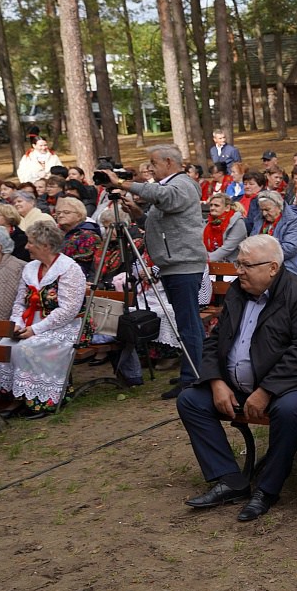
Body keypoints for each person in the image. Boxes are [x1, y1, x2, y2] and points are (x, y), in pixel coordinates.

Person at [177, 236, 297, 522]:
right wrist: (216, 382)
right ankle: (231, 480)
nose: (239, 271)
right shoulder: (238, 291)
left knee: (289, 410)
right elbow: (214, 341)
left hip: (284, 387)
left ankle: (267, 490)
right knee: (190, 400)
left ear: (272, 267)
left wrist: (266, 390)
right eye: (238, 264)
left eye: (246, 265)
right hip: (235, 386)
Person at [100, 145, 205, 400]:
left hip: (183, 265)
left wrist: (123, 184)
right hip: (173, 264)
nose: (150, 169)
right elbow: (157, 224)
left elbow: (166, 198)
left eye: (153, 163)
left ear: (168, 162)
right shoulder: (171, 187)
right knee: (185, 323)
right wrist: (136, 213)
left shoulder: (182, 185)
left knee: (188, 325)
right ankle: (192, 371)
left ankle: (194, 378)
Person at [0, 222, 86, 417]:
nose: (26, 247)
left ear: (45, 245)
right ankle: (18, 396)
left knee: (29, 347)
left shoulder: (69, 269)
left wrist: (35, 330)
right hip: (31, 323)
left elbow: (69, 310)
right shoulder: (30, 268)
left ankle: (43, 400)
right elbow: (20, 303)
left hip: (65, 326)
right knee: (6, 344)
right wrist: (17, 325)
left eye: (30, 242)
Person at [254, 191, 297, 275]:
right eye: (262, 210)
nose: (264, 213)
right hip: (264, 262)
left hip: (290, 263)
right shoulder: (259, 219)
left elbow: (289, 249)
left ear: (279, 207)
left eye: (267, 209)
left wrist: (262, 256)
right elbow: (252, 241)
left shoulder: (293, 221)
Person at [54, 197, 100, 278]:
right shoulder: (55, 232)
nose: (60, 215)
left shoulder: (88, 236)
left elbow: (83, 266)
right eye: (58, 213)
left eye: (66, 212)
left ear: (79, 215)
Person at [204, 194, 248, 263]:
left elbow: (228, 248)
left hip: (233, 264)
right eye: (211, 205)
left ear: (227, 208)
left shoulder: (237, 222)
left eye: (216, 205)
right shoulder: (208, 223)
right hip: (212, 262)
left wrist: (206, 259)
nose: (212, 208)